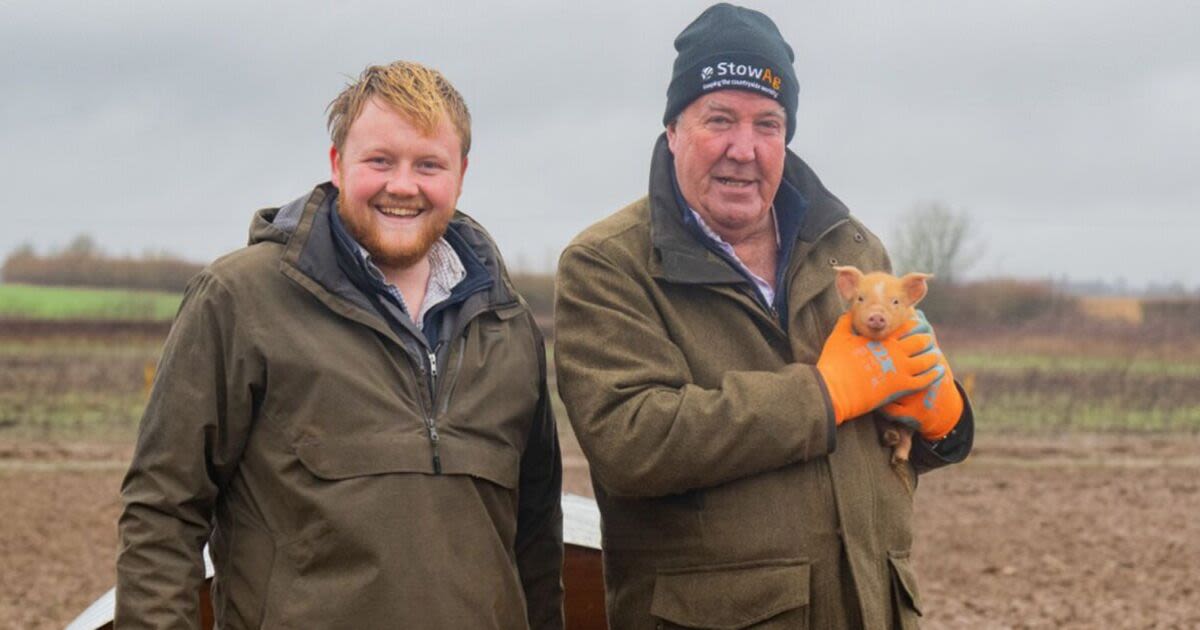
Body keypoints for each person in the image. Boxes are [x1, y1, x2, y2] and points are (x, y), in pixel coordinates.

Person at [554, 4, 974, 629]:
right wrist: (822, 396)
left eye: (767, 124)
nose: (743, 149)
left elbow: (883, 429)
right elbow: (633, 441)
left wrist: (944, 422)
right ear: (673, 130)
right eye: (718, 120)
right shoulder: (609, 266)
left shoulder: (850, 249)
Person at [116, 61, 564, 629]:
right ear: (337, 164)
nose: (403, 186)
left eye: (428, 164)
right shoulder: (239, 301)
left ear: (461, 173)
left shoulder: (508, 326)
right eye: (380, 161)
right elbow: (162, 513)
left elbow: (537, 542)